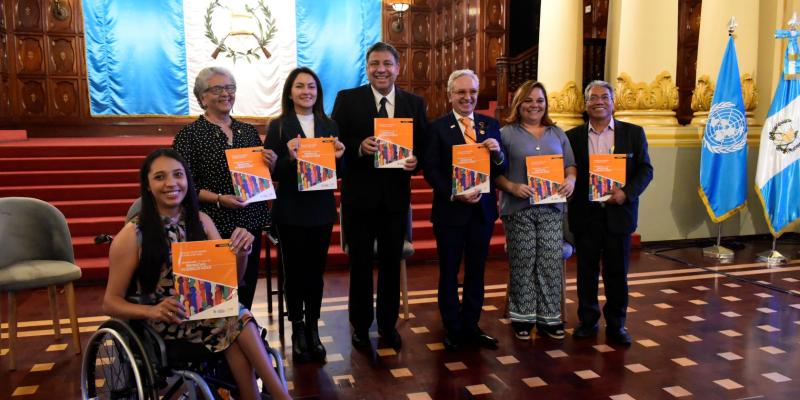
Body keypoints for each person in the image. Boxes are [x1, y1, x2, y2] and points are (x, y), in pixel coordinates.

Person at [103, 149, 291, 400]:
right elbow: (110, 303)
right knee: (235, 318)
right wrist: (152, 311)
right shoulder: (132, 234)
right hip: (164, 321)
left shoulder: (201, 222)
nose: (171, 183)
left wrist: (242, 252)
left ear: (187, 181)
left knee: (233, 319)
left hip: (208, 315)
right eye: (160, 177)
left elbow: (229, 285)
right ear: (147, 186)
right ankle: (281, 396)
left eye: (178, 175)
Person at [332, 41, 428, 350]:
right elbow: (335, 143)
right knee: (360, 265)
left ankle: (388, 325)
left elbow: (423, 146)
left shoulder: (414, 103)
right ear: (367, 67)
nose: (381, 69)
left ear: (398, 68)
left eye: (387, 64)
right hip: (359, 200)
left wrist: (416, 162)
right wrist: (359, 147)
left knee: (390, 263)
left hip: (395, 201)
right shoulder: (347, 100)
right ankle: (360, 325)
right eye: (374, 63)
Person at [173, 66, 277, 310]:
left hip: (250, 221)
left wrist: (269, 166)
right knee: (216, 296)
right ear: (202, 97)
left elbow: (258, 176)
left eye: (230, 88)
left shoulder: (248, 131)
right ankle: (220, 342)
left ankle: (244, 329)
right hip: (212, 225)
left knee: (246, 286)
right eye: (217, 89)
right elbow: (182, 185)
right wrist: (220, 198)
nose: (225, 94)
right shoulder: (189, 135)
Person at [264, 67, 345, 363]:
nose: (306, 91)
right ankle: (297, 327)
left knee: (315, 274)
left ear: (318, 92)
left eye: (311, 87)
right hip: (290, 210)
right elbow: (272, 173)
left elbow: (341, 173)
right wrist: (289, 157)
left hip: (321, 210)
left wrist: (340, 157)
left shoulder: (330, 124)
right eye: (300, 87)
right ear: (290, 92)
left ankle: (313, 328)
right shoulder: (279, 126)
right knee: (294, 274)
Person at [424, 69, 506, 351]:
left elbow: (501, 169)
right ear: (450, 95)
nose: (467, 97)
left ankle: (471, 325)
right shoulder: (437, 127)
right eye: (460, 92)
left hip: (481, 213)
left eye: (472, 92)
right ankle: (453, 328)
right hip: (450, 212)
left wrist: (498, 154)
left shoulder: (490, 125)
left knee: (476, 272)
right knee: (449, 272)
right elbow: (431, 170)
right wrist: (453, 192)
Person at [566, 80, 653, 346]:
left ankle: (617, 324)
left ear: (613, 102)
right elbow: (568, 172)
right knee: (586, 273)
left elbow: (645, 170)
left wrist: (625, 193)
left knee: (617, 273)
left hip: (619, 214)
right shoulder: (572, 137)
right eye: (593, 97)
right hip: (586, 215)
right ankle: (588, 321)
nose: (599, 101)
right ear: (586, 103)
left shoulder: (633, 133)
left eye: (604, 96)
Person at [494, 80, 577, 341]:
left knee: (550, 261)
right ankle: (522, 317)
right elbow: (495, 173)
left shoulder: (557, 133)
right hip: (518, 208)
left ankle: (550, 319)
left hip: (552, 208)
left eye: (539, 100)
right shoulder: (506, 134)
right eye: (528, 100)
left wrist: (571, 180)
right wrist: (512, 186)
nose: (534, 105)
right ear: (519, 104)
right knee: (524, 260)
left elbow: (570, 166)